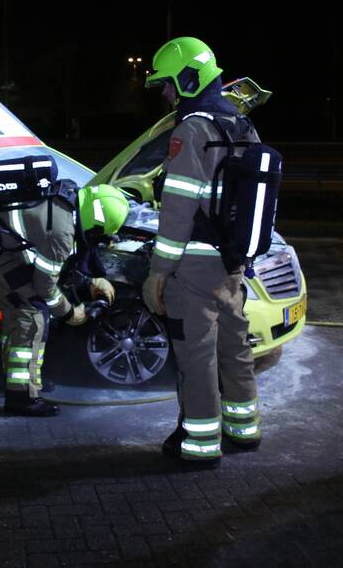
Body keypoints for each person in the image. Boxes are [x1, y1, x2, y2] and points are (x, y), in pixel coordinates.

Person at [141, 36, 268, 467]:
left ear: (187, 78)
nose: (164, 93)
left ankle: (198, 444)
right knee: (234, 347)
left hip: (193, 266)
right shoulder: (241, 125)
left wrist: (158, 272)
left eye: (167, 83)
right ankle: (244, 430)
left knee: (195, 355)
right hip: (231, 261)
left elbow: (177, 209)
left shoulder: (192, 128)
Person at [0, 168, 129, 417]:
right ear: (97, 220)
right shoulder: (62, 232)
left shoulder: (70, 197)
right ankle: (21, 397)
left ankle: (20, 379)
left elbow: (55, 265)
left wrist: (90, 280)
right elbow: (45, 287)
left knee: (18, 310)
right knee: (32, 314)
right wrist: (71, 313)